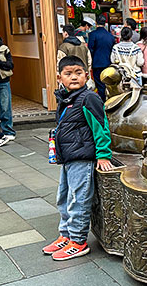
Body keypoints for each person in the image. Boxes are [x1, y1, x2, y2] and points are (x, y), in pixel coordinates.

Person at [42, 55, 113, 260]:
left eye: (78, 73)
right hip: (68, 158)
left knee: (79, 199)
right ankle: (65, 235)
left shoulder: (88, 97)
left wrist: (103, 155)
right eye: (68, 73)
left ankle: (78, 240)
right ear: (59, 77)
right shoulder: (66, 99)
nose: (74, 77)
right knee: (63, 198)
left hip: (82, 158)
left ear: (87, 75)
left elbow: (101, 127)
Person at [88, 14, 115, 101]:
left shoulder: (93, 34)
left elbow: (90, 49)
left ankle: (101, 102)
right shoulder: (110, 36)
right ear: (105, 23)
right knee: (107, 83)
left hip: (97, 63)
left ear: (96, 23)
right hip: (108, 63)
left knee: (99, 84)